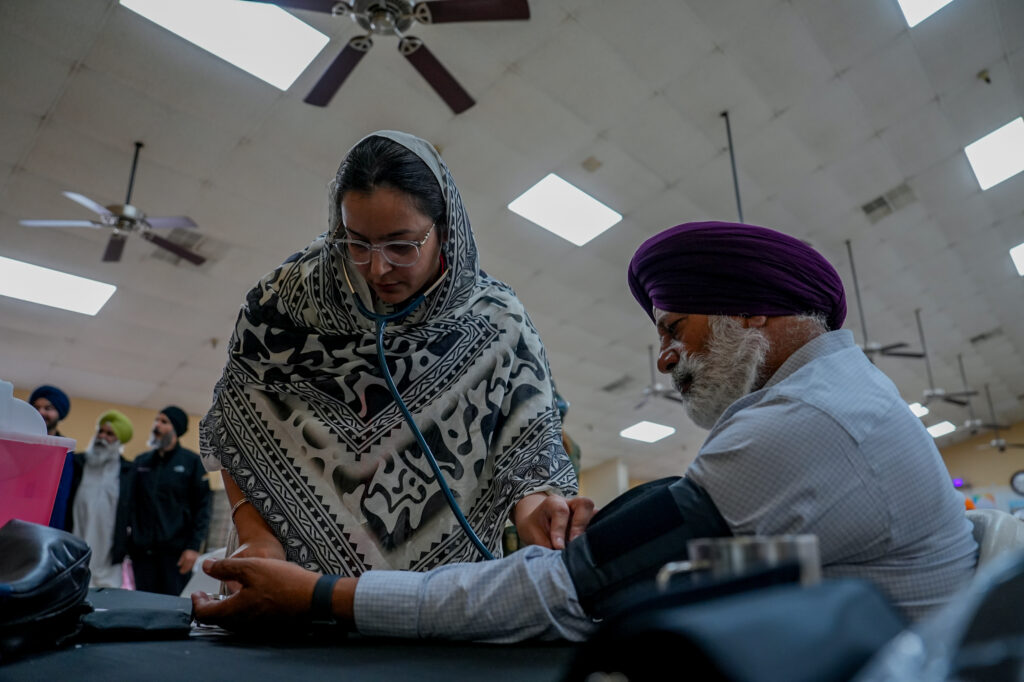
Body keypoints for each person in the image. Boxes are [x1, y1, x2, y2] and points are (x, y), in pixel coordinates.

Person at [193, 221, 978, 639]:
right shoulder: (844, 398)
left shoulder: (806, 421)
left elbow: (567, 588)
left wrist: (326, 596)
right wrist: (639, 543)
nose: (666, 358)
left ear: (753, 311)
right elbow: (748, 553)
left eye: (677, 326)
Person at [200, 131, 586, 578]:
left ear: (445, 230)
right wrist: (256, 537)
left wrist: (537, 510)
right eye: (356, 243)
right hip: (286, 583)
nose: (377, 268)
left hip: (434, 597)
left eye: (402, 246)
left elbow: (528, 451)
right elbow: (238, 421)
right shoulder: (284, 302)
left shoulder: (498, 323)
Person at [130, 406, 212, 596]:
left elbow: (203, 509)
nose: (157, 425)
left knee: (171, 606)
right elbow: (130, 505)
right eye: (156, 420)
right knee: (142, 604)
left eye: (164, 422)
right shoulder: (142, 462)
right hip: (142, 553)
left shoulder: (193, 463)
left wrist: (193, 548)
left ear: (176, 429)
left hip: (176, 554)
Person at [66, 410, 135, 588]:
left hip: (108, 557)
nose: (102, 437)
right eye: (100, 432)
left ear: (119, 440)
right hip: (73, 548)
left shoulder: (128, 472)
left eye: (110, 434)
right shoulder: (77, 463)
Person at [29, 384, 74, 529]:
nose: (40, 412)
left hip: (53, 528)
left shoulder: (69, 453)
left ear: (59, 413)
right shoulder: (20, 445)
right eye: (36, 407)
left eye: (48, 408)